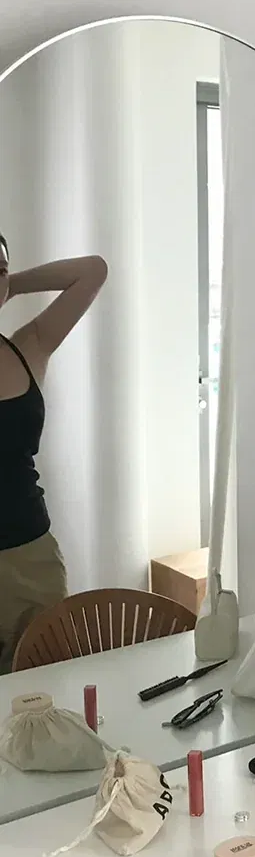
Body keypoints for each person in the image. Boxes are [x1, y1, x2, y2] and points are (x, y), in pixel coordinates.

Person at [0, 236, 108, 671]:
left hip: (32, 556)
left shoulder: (28, 347)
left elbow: (92, 270)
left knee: (46, 688)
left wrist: (13, 284)